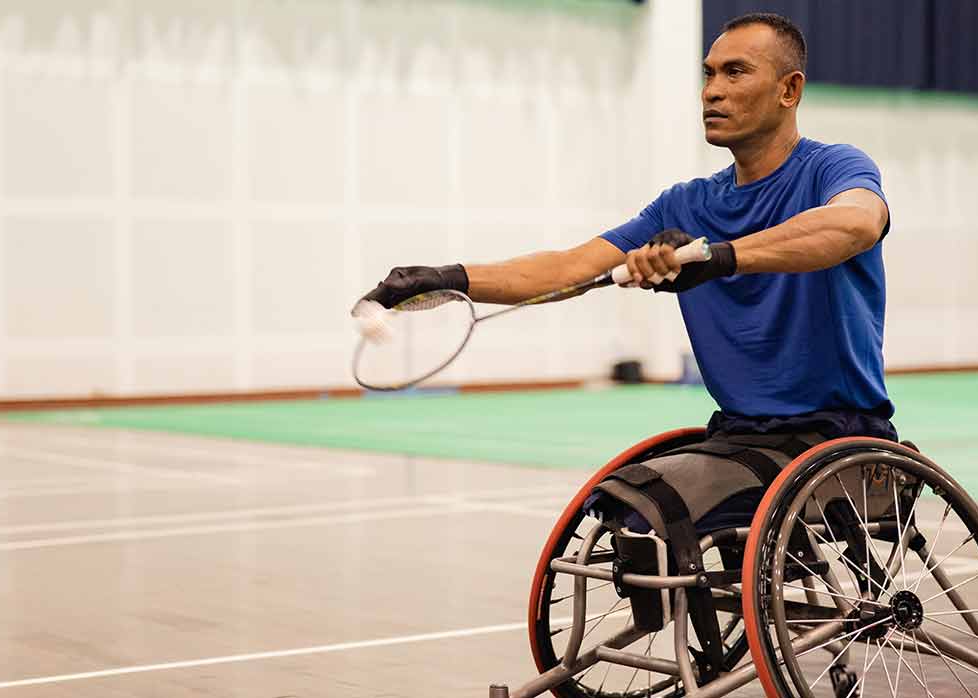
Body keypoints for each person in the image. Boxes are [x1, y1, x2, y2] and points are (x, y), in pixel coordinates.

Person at [354, 12, 896, 532]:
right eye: (707, 74)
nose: (711, 90)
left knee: (658, 512)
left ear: (789, 90)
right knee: (623, 506)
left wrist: (714, 258)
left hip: (838, 438)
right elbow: (569, 268)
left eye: (735, 72)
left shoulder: (835, 168)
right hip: (741, 435)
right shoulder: (684, 204)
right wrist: (447, 277)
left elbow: (854, 224)